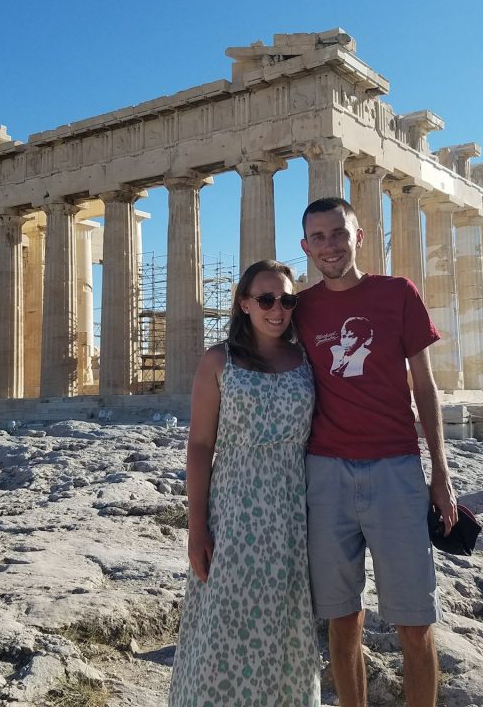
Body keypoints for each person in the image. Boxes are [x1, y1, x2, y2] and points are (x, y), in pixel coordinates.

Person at [295, 197, 457, 707]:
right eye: (318, 238)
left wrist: (441, 473)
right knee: (342, 621)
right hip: (324, 473)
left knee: (414, 621)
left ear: (358, 237)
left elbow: (425, 387)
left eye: (339, 234)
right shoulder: (300, 308)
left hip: (396, 470)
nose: (330, 246)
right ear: (305, 246)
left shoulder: (397, 294)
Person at [169, 260, 320, 707]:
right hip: (234, 513)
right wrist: (197, 528)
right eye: (266, 299)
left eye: (287, 300)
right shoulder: (220, 360)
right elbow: (199, 445)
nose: (278, 309)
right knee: (224, 624)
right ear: (244, 303)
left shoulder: (308, 357)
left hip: (294, 516)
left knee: (286, 625)